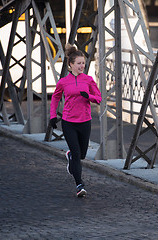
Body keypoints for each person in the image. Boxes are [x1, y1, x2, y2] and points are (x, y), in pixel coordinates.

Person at [49, 44, 101, 197]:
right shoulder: (63, 82)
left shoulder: (89, 80)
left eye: (83, 63)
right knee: (78, 153)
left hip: (85, 122)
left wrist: (88, 97)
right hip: (69, 122)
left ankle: (70, 156)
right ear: (70, 65)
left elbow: (98, 99)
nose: (82, 66)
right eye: (78, 63)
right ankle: (80, 186)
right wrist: (53, 116)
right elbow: (55, 98)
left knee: (82, 154)